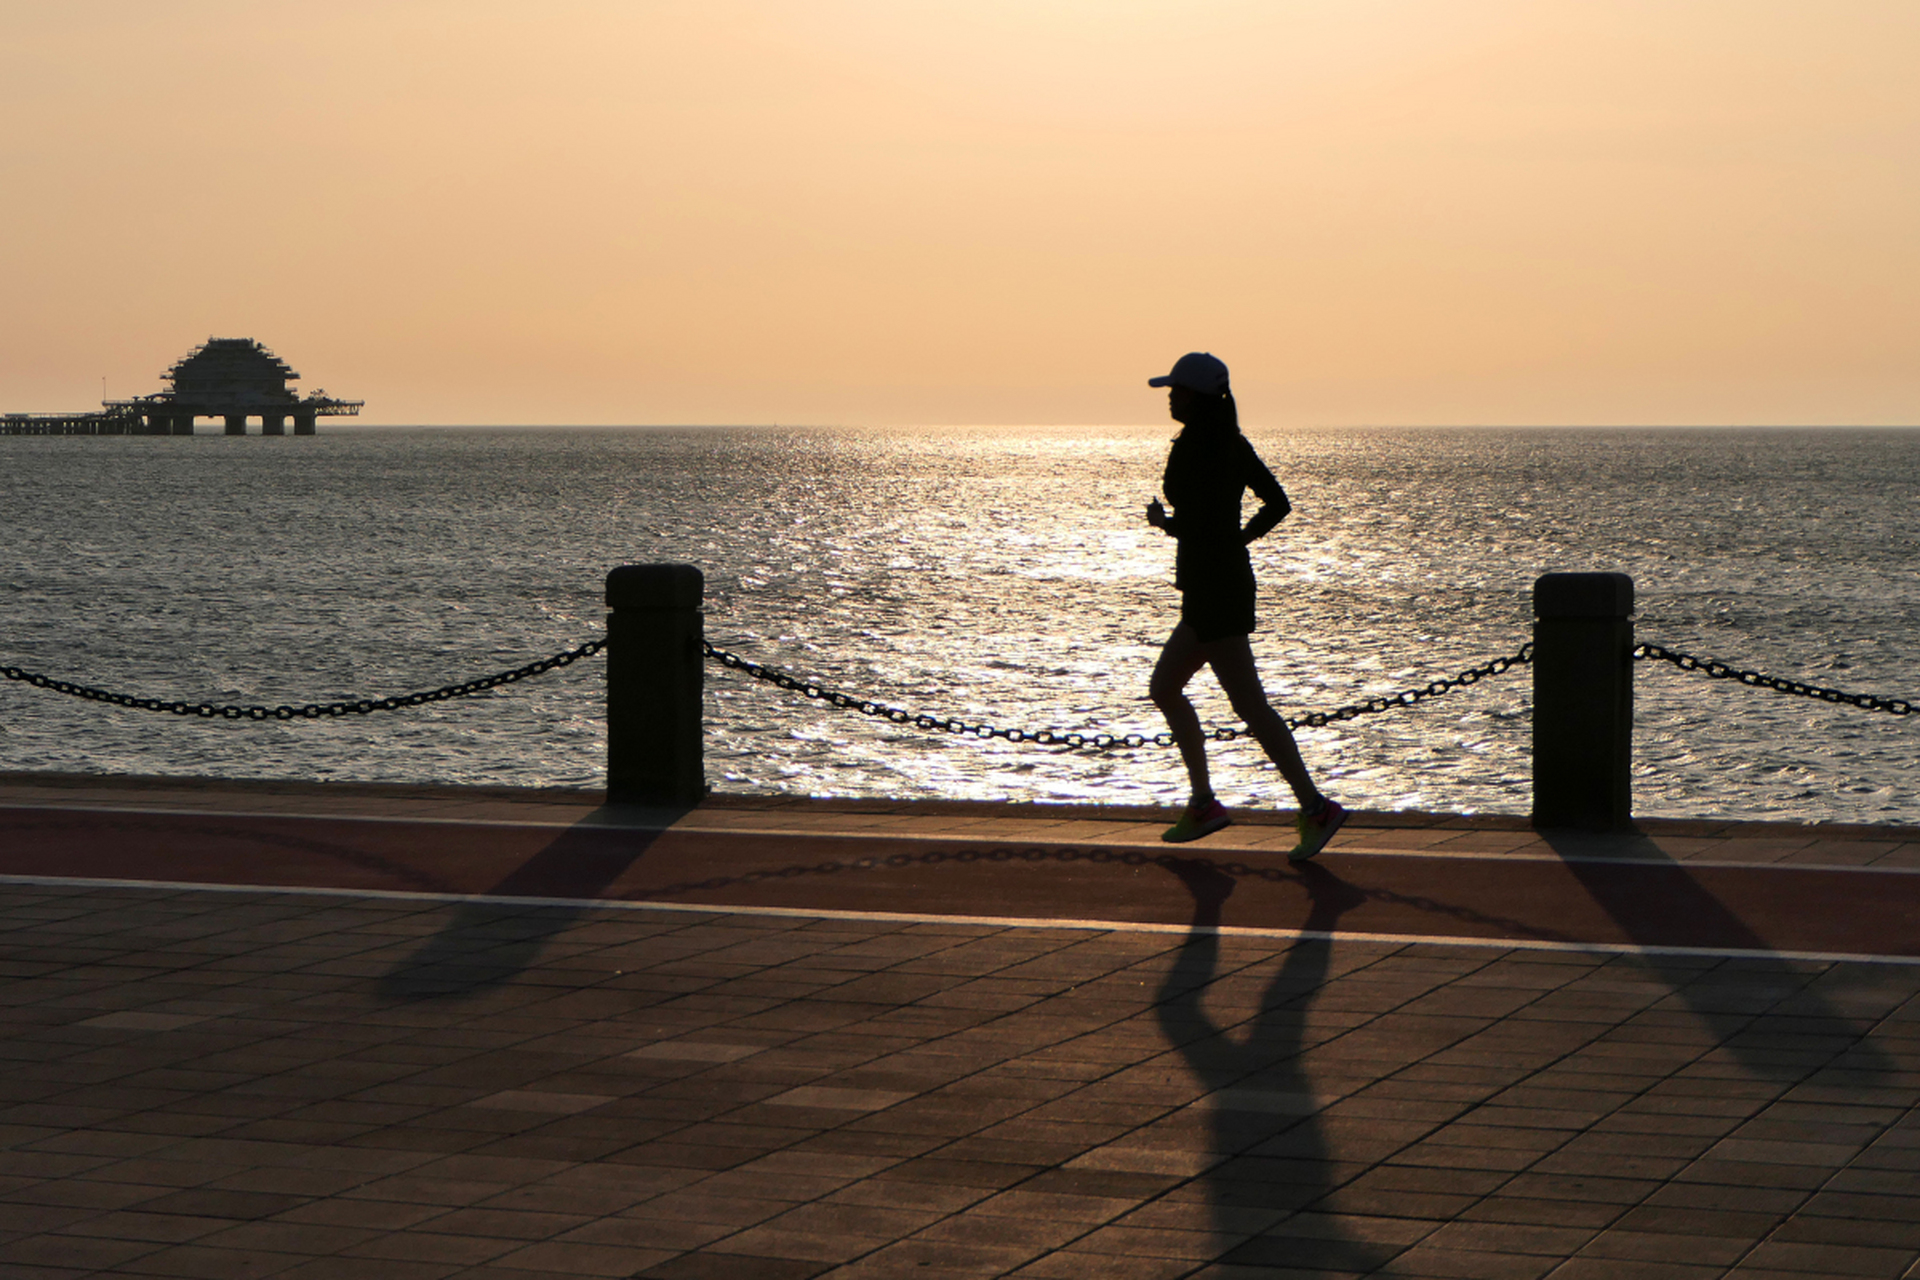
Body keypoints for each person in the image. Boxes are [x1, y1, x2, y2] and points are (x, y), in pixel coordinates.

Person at [1143, 351, 1346, 859]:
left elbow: (1201, 524)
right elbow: (1276, 502)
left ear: (1195, 396)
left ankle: (1311, 806)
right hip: (1222, 583)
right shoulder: (1231, 444)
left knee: (1242, 704)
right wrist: (1241, 540)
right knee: (1170, 689)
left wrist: (1166, 524)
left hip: (1213, 591)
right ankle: (1208, 801)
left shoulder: (1194, 449)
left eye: (1176, 389)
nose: (1169, 395)